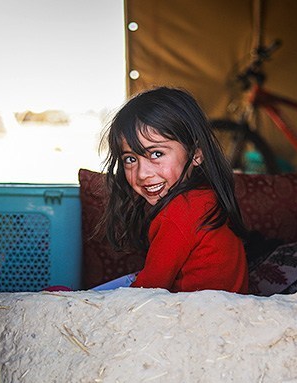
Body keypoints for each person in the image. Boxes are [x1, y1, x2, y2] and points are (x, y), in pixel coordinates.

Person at [100, 86, 249, 294]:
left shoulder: (182, 210)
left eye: (156, 154)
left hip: (201, 313)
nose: (142, 173)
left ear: (196, 154)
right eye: (131, 159)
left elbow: (146, 290)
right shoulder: (204, 197)